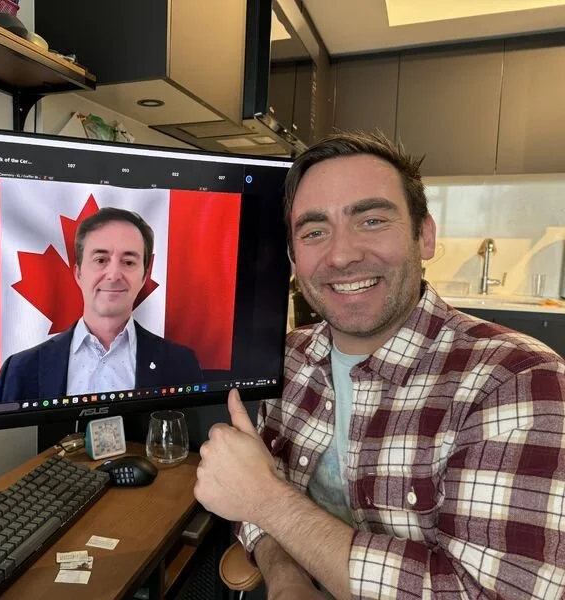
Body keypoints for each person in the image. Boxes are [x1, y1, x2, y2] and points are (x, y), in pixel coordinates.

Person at [194, 132, 565, 600]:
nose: (342, 255)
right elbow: (250, 495)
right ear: (293, 258)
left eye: (371, 220)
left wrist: (269, 501)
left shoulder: (519, 381)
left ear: (424, 235)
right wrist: (287, 580)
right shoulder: (288, 359)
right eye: (314, 232)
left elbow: (492, 592)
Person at [0, 207, 202, 403]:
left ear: (144, 277)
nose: (114, 274)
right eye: (101, 260)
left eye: (128, 262)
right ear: (79, 274)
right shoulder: (20, 369)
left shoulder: (181, 364)